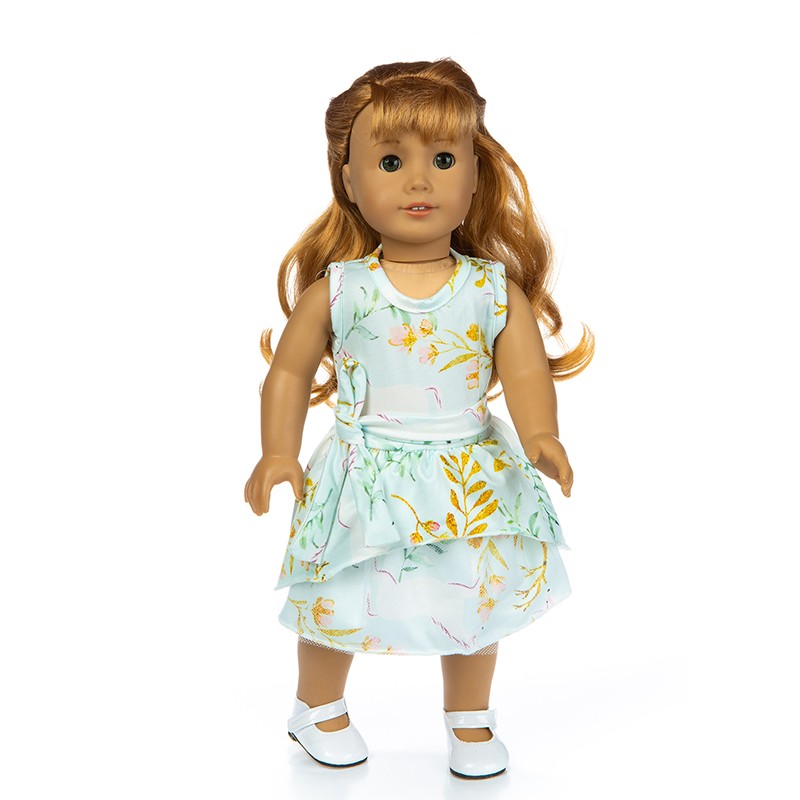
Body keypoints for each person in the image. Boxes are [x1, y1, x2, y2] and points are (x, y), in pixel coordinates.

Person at [244, 58, 593, 779]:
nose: (418, 182)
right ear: (349, 181)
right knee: (338, 590)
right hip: (364, 471)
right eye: (390, 162)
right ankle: (317, 706)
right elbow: (289, 372)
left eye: (442, 160)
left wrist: (542, 436)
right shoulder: (340, 289)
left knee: (474, 593)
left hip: (468, 469)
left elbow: (525, 372)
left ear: (475, 177)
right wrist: (277, 451)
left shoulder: (491, 290)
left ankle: (470, 716)